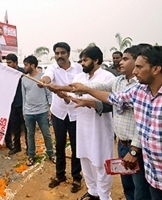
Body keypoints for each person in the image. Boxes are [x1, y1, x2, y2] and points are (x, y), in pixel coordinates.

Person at [70, 45, 162, 200]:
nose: (134, 71)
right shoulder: (140, 91)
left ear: (156, 69)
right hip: (154, 179)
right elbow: (114, 98)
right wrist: (87, 90)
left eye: (139, 67)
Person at [72, 45, 151, 200]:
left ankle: (103, 195)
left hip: (134, 146)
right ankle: (93, 191)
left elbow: (114, 103)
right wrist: (59, 88)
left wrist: (134, 150)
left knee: (140, 189)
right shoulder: (118, 81)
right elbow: (86, 88)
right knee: (128, 186)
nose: (120, 62)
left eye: (125, 59)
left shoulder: (139, 86)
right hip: (122, 144)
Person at [48, 46, 115, 200]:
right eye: (82, 60)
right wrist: (62, 94)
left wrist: (87, 102)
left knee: (100, 161)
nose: (82, 63)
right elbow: (72, 96)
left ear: (96, 60)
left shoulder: (107, 77)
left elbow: (111, 104)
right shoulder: (79, 77)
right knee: (85, 157)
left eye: (85, 60)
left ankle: (104, 196)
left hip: (100, 128)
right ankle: (93, 192)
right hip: (82, 126)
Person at [39, 42, 83, 193]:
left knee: (77, 146)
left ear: (68, 54)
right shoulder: (52, 67)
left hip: (76, 112)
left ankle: (77, 177)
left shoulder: (78, 68)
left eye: (62, 53)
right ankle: (60, 175)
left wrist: (67, 96)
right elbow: (47, 77)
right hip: (59, 113)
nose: (59, 56)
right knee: (60, 145)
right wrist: (43, 82)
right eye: (57, 53)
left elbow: (80, 87)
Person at [21, 55, 56, 166]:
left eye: (26, 65)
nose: (24, 67)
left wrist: (50, 109)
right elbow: (24, 97)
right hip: (29, 112)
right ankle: (31, 156)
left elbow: (49, 94)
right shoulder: (24, 79)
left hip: (42, 111)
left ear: (33, 65)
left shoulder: (43, 78)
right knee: (30, 135)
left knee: (46, 134)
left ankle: (51, 153)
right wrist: (24, 112)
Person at [3, 53, 27, 155]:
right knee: (15, 127)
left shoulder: (23, 72)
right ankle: (16, 146)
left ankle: (29, 148)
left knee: (26, 128)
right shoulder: (6, 73)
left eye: (10, 63)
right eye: (7, 63)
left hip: (24, 104)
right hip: (12, 104)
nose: (8, 65)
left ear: (16, 62)